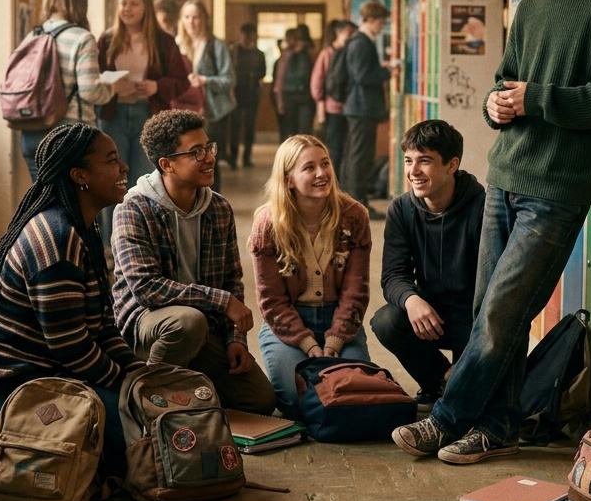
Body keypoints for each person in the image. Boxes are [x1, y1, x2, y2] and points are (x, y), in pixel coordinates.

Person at [391, 0, 591, 464]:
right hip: (506, 174)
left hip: (558, 187)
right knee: (493, 313)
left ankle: (447, 418)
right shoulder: (529, 7)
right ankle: (494, 428)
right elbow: (505, 82)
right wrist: (496, 106)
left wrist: (536, 100)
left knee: (502, 309)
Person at [0, 122, 137, 477]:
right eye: (111, 161)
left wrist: (137, 372)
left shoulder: (82, 227)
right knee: (138, 441)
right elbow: (71, 347)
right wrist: (126, 385)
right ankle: (11, 434)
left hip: (57, 373)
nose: (123, 168)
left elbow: (103, 327)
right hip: (13, 385)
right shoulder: (58, 240)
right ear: (80, 176)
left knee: (148, 418)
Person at [110, 109, 275, 414]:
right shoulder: (133, 209)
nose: (208, 158)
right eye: (195, 152)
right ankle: (144, 398)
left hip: (202, 328)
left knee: (259, 400)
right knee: (188, 322)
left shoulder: (218, 208)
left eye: (208, 148)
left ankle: (188, 387)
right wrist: (222, 302)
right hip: (151, 326)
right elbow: (146, 288)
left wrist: (235, 339)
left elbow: (232, 280)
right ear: (166, 164)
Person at [249, 134, 372, 417]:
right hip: (287, 326)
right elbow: (272, 301)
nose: (321, 174)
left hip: (340, 322)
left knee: (355, 395)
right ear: (289, 179)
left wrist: (335, 340)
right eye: (309, 168)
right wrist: (308, 343)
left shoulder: (354, 216)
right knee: (293, 401)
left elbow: (356, 291)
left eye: (325, 164)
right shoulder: (267, 224)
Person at [370, 120, 484, 412]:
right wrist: (411, 300)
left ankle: (460, 381)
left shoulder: (482, 206)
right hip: (431, 313)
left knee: (471, 402)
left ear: (451, 165)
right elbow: (393, 274)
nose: (413, 172)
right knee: (386, 320)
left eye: (425, 161)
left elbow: (495, 278)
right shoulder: (401, 209)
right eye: (409, 161)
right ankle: (439, 380)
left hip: (475, 316)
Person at [96, 0, 190, 239]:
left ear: (146, 7)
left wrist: (156, 86)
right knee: (109, 181)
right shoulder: (107, 39)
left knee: (145, 182)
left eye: (133, 3)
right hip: (112, 116)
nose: (126, 9)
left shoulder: (163, 41)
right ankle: (110, 244)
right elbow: (93, 80)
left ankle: (142, 240)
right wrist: (110, 84)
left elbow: (182, 81)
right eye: (123, 3)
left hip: (148, 116)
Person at [18, 0, 116, 180]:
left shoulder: (33, 35)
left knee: (43, 203)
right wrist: (113, 87)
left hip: (31, 132)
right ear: (82, 4)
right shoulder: (82, 38)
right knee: (76, 205)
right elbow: (90, 91)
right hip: (69, 135)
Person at [175, 0, 236, 192]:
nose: (191, 22)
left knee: (209, 160)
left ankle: (213, 201)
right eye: (187, 17)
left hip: (212, 112)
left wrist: (204, 80)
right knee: (188, 158)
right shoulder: (176, 45)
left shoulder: (216, 45)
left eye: (196, 17)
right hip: (184, 111)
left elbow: (229, 80)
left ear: (204, 20)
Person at [342, 0, 393, 219]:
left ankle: (354, 200)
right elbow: (362, 76)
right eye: (381, 21)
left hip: (358, 106)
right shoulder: (361, 42)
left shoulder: (359, 41)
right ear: (370, 20)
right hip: (361, 107)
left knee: (357, 155)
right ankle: (358, 203)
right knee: (360, 157)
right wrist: (387, 71)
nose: (382, 26)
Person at [310, 19, 354, 169]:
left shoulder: (349, 52)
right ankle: (332, 182)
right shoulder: (327, 53)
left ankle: (340, 182)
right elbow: (317, 81)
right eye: (348, 33)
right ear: (339, 33)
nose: (351, 36)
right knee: (334, 148)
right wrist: (320, 104)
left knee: (347, 148)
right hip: (333, 107)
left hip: (349, 107)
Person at [227, 22, 267, 169]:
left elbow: (263, 72)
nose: (247, 38)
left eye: (250, 35)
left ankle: (247, 157)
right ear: (241, 35)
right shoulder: (233, 51)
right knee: (235, 127)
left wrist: (253, 75)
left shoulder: (259, 54)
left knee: (250, 127)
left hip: (252, 93)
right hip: (236, 93)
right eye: (245, 35)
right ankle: (233, 157)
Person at [274, 25, 314, 141]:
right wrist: (279, 100)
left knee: (305, 130)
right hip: (288, 95)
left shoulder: (309, 53)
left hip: (306, 95)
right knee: (289, 130)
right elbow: (279, 79)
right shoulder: (286, 54)